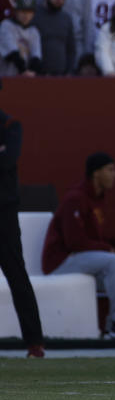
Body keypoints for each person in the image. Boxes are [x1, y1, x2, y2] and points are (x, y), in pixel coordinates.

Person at [41, 152, 115, 338]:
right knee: (113, 263)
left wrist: (114, 241)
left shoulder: (97, 198)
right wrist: (107, 248)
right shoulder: (76, 198)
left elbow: (93, 236)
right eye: (110, 170)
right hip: (60, 262)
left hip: (79, 259)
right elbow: (75, 242)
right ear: (96, 173)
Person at [0, 94, 45, 358]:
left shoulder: (10, 125)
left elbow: (8, 160)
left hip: (4, 212)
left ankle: (35, 342)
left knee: (17, 274)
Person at [32, 0, 75, 76]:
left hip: (61, 76)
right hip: (37, 75)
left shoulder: (66, 18)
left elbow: (71, 49)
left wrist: (69, 71)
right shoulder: (34, 15)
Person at [0, 0, 41, 76]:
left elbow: (36, 56)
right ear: (15, 11)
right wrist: (24, 71)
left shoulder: (34, 31)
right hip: (5, 76)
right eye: (23, 11)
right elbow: (12, 53)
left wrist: (32, 71)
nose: (26, 15)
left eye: (29, 12)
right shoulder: (6, 25)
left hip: (24, 78)